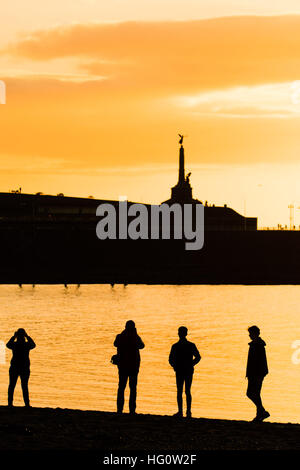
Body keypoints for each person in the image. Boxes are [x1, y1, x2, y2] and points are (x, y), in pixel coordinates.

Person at [169, 326, 201, 418]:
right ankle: (187, 412)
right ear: (186, 334)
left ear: (179, 334)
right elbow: (198, 357)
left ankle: (182, 411)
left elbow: (170, 359)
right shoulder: (190, 345)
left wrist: (175, 366)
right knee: (187, 391)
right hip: (186, 370)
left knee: (181, 391)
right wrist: (191, 364)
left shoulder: (176, 346)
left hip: (182, 370)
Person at [114, 320, 145, 414]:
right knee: (132, 388)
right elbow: (142, 345)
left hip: (123, 365)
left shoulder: (120, 336)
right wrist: (135, 334)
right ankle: (132, 410)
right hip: (133, 365)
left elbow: (115, 344)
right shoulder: (135, 337)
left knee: (121, 387)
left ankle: (120, 409)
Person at [6, 328, 36, 407]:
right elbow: (33, 345)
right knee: (24, 386)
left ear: (17, 336)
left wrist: (14, 337)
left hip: (15, 367)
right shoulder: (26, 345)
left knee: (12, 385)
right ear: (24, 336)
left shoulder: (15, 345)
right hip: (24, 368)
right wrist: (27, 336)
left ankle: (10, 403)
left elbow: (8, 345)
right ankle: (27, 404)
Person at [246, 325, 269, 422]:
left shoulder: (258, 345)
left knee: (251, 393)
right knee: (255, 393)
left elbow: (261, 361)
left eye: (251, 334)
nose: (249, 335)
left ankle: (262, 412)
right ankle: (260, 414)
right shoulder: (255, 344)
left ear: (255, 334)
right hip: (254, 373)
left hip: (257, 373)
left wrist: (261, 373)